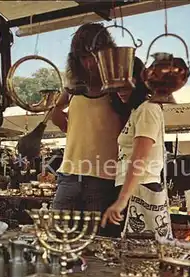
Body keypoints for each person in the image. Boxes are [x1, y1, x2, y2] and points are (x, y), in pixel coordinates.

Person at [50, 23, 128, 237]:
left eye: (93, 56)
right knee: (57, 237)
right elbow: (55, 112)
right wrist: (72, 130)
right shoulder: (73, 88)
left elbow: (128, 128)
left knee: (97, 244)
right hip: (69, 175)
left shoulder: (117, 87)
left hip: (103, 178)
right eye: (83, 58)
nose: (88, 63)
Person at [101, 58, 166, 232]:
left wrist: (122, 200)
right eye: (117, 88)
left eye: (125, 86)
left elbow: (140, 157)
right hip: (132, 189)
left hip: (140, 188)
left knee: (136, 251)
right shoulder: (136, 111)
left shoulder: (148, 108)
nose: (120, 92)